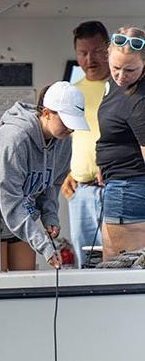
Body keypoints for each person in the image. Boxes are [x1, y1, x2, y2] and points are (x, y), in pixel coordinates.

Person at [0, 82, 87, 271]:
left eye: (74, 123)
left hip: (22, 215)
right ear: (46, 113)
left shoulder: (64, 142)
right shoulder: (15, 139)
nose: (70, 129)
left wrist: (50, 216)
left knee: (25, 283)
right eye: (66, 121)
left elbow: (53, 184)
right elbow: (10, 199)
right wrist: (43, 245)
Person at [60, 21, 109, 266]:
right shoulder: (72, 92)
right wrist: (66, 174)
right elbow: (65, 138)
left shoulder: (124, 87)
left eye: (97, 51)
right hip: (80, 191)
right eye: (83, 53)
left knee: (119, 259)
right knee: (86, 263)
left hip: (115, 187)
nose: (90, 59)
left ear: (109, 50)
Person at [96, 27, 145, 262]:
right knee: (111, 260)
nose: (120, 75)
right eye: (115, 67)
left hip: (130, 187)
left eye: (130, 70)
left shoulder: (140, 100)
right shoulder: (115, 85)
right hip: (116, 182)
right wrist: (102, 165)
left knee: (121, 267)